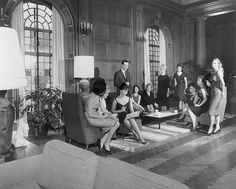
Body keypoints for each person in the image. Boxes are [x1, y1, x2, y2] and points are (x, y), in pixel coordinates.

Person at [85, 79, 120, 152]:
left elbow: (104, 110)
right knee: (116, 123)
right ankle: (106, 142)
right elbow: (90, 114)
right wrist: (103, 117)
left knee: (116, 122)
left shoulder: (98, 97)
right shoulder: (91, 98)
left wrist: (110, 115)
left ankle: (103, 141)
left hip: (97, 117)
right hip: (91, 119)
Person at [206, 58, 226, 135]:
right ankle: (217, 127)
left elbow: (223, 83)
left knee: (211, 111)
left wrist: (223, 93)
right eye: (212, 63)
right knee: (216, 111)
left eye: (214, 63)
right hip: (213, 92)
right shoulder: (214, 72)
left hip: (217, 94)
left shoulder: (219, 72)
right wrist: (209, 84)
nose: (213, 64)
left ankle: (211, 128)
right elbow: (215, 84)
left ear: (218, 64)